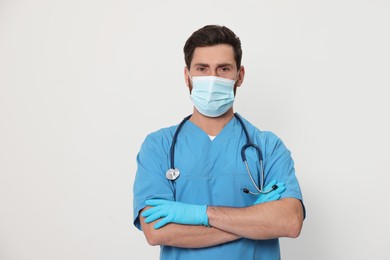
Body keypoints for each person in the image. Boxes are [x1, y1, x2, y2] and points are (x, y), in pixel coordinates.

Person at [133, 24, 305, 259]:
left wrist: (199, 215)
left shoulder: (268, 147)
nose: (212, 78)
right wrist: (252, 219)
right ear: (187, 76)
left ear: (239, 75)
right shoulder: (158, 147)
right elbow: (156, 231)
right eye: (202, 68)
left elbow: (289, 221)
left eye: (223, 69)